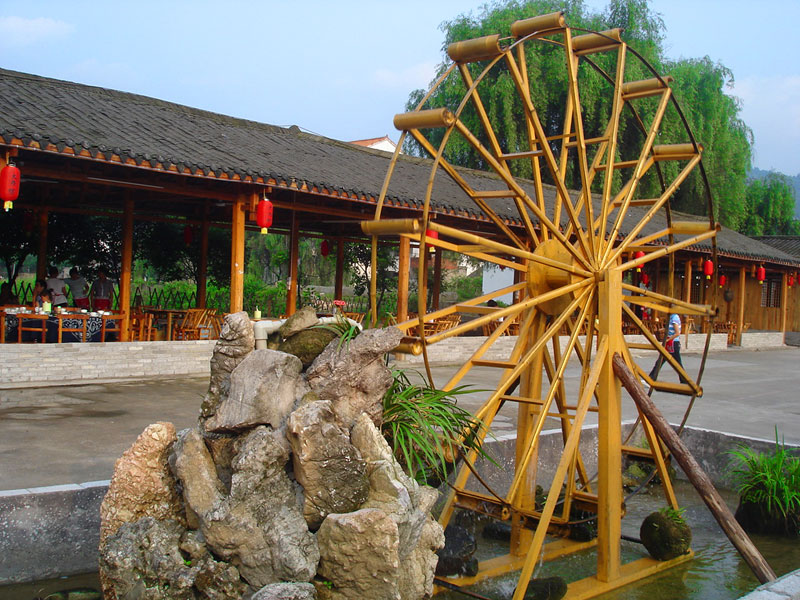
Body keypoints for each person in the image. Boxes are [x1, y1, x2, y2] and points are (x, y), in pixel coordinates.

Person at [649, 312, 684, 381]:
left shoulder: (674, 317)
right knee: (660, 361)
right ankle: (652, 377)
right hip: (669, 343)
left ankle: (684, 380)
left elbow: (677, 333)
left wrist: (667, 340)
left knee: (677, 364)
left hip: (673, 343)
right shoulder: (670, 317)